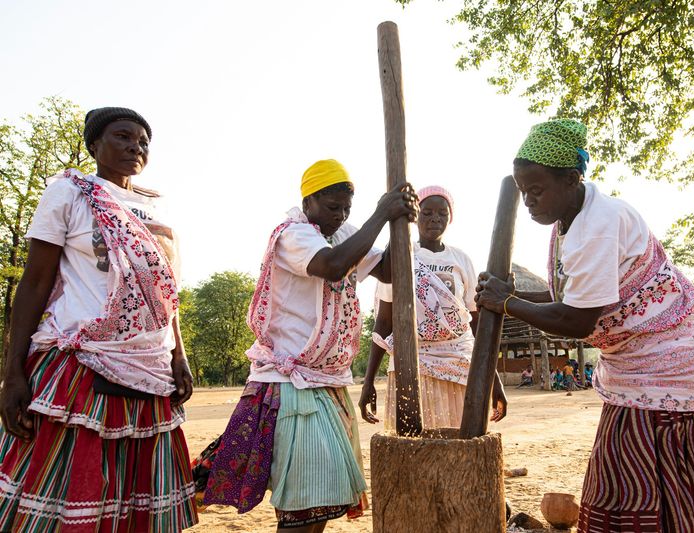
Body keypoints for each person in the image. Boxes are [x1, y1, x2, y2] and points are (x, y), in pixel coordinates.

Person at [475, 119, 694, 532]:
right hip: (640, 367)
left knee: (643, 497)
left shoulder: (598, 225)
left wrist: (506, 301)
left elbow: (578, 321)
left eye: (536, 189)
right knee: (626, 489)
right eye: (523, 191)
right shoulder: (570, 219)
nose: (528, 201)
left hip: (670, 369)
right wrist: (506, 298)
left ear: (572, 178)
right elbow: (575, 301)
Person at [0, 107, 197, 530]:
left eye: (143, 142)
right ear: (94, 145)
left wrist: (179, 355)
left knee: (132, 502)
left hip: (150, 371)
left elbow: (165, 295)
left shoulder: (158, 212)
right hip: (81, 366)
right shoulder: (70, 193)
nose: (135, 147)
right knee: (70, 494)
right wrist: (12, 371)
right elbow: (34, 283)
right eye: (122, 137)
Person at [201, 160, 417, 532]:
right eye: (333, 207)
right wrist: (382, 214)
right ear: (309, 200)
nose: (341, 216)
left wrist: (402, 224)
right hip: (292, 385)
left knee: (323, 499)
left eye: (347, 209)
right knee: (304, 504)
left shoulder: (342, 233)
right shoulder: (294, 235)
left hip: (325, 382)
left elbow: (389, 271)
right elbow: (333, 266)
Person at [358, 185, 507, 430]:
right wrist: (368, 382)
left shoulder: (461, 259)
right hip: (411, 365)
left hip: (458, 364)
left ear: (450, 218)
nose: (435, 219)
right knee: (412, 448)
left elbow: (475, 324)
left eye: (442, 213)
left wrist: (494, 382)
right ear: (415, 216)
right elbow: (384, 322)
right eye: (427, 213)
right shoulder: (400, 257)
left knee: (458, 447)